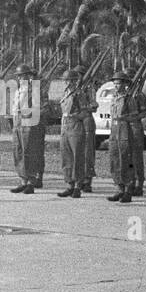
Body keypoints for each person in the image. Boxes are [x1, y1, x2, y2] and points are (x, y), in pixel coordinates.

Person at [57, 68, 91, 198]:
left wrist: (75, 116)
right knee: (66, 157)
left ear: (73, 81)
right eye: (65, 80)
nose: (66, 83)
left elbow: (85, 113)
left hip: (75, 126)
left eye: (68, 80)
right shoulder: (65, 94)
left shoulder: (79, 94)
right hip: (65, 127)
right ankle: (69, 184)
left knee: (77, 157)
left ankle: (78, 185)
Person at [9, 63, 41, 194]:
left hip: (28, 121)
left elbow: (38, 107)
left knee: (28, 150)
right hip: (17, 121)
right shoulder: (18, 91)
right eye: (19, 76)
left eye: (23, 76)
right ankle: (23, 180)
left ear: (28, 76)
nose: (21, 79)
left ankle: (31, 181)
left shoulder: (33, 90)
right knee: (18, 151)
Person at [105, 70, 136, 204]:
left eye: (119, 83)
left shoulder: (129, 98)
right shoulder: (114, 97)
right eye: (115, 83)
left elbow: (135, 115)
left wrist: (125, 118)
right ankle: (119, 188)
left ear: (125, 84)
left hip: (124, 128)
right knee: (114, 159)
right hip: (114, 129)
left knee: (125, 159)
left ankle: (128, 190)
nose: (117, 86)